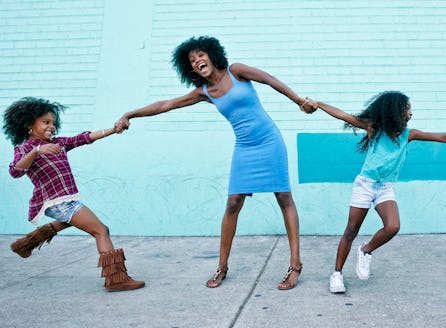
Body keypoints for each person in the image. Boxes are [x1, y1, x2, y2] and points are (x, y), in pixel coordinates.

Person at [115, 36, 315, 290]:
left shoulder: (236, 71)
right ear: (190, 69)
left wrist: (299, 100)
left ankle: (295, 265)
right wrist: (130, 113)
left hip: (269, 141)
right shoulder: (205, 93)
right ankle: (222, 266)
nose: (198, 60)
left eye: (200, 55)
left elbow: (269, 79)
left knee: (284, 198)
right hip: (244, 148)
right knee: (233, 203)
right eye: (192, 60)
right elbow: (166, 105)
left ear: (212, 55)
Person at [309, 92, 446, 293]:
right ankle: (337, 274)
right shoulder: (374, 128)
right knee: (351, 230)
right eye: (407, 109)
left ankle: (366, 250)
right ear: (395, 111)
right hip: (366, 184)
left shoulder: (408, 135)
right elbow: (342, 115)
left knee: (393, 226)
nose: (411, 113)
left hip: (384, 186)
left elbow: (441, 137)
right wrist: (319, 104)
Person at [4, 97, 145, 292]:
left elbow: (83, 139)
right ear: (29, 124)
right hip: (57, 202)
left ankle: (26, 244)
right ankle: (117, 279)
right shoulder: (25, 149)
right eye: (46, 122)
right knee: (101, 230)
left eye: (53, 123)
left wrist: (113, 129)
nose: (51, 126)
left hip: (67, 200)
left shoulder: (58, 143)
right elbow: (15, 171)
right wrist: (37, 150)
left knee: (75, 222)